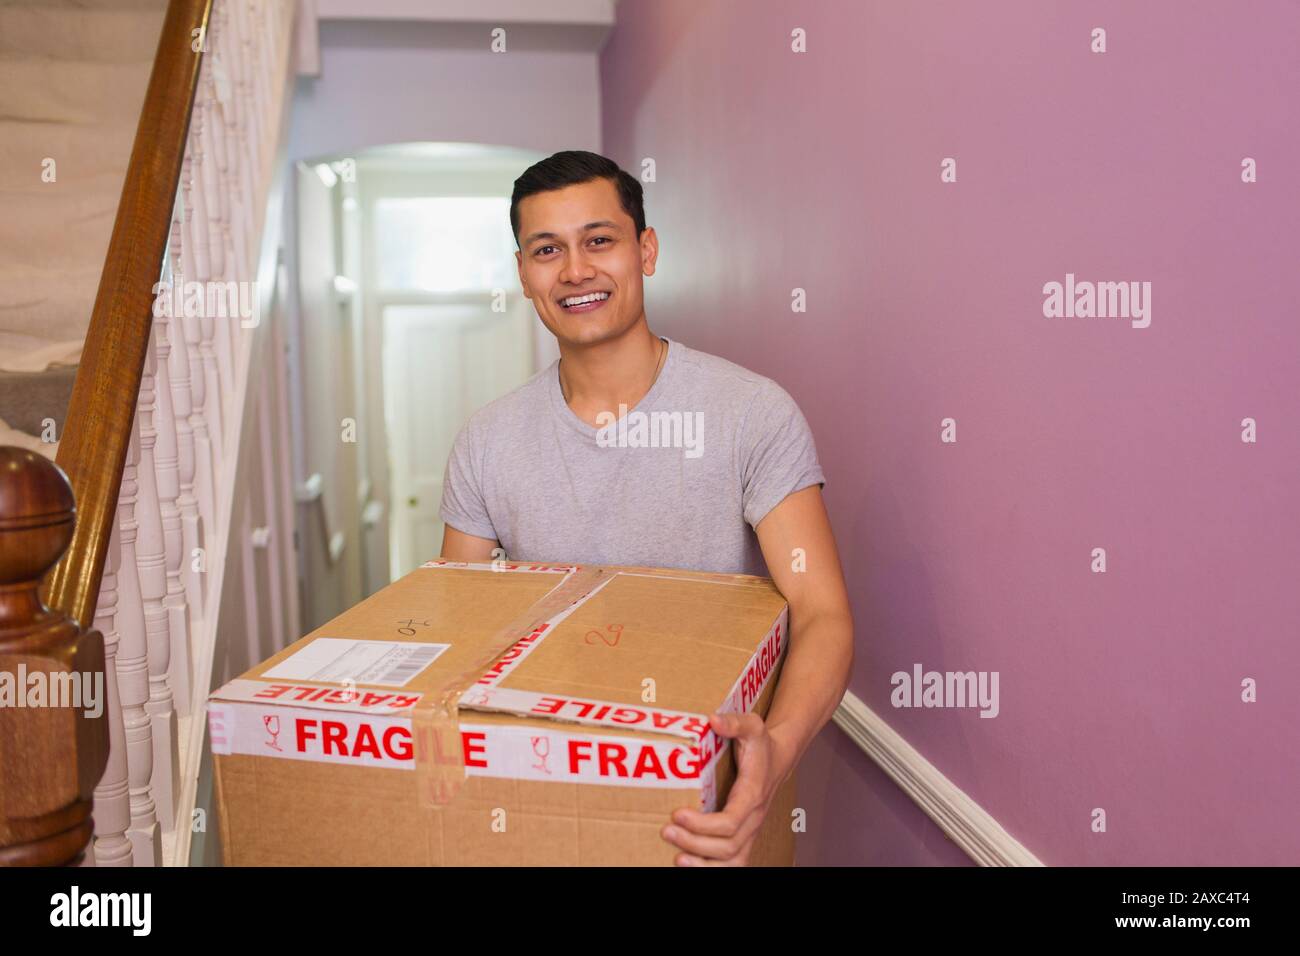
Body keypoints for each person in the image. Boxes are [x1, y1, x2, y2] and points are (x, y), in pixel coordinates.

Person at [438, 150, 853, 865]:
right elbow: (460, 637)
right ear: (523, 273)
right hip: (551, 798)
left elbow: (823, 613)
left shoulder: (751, 414)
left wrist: (772, 759)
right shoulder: (486, 442)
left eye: (599, 240)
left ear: (646, 250)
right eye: (547, 250)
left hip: (714, 804)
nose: (575, 270)